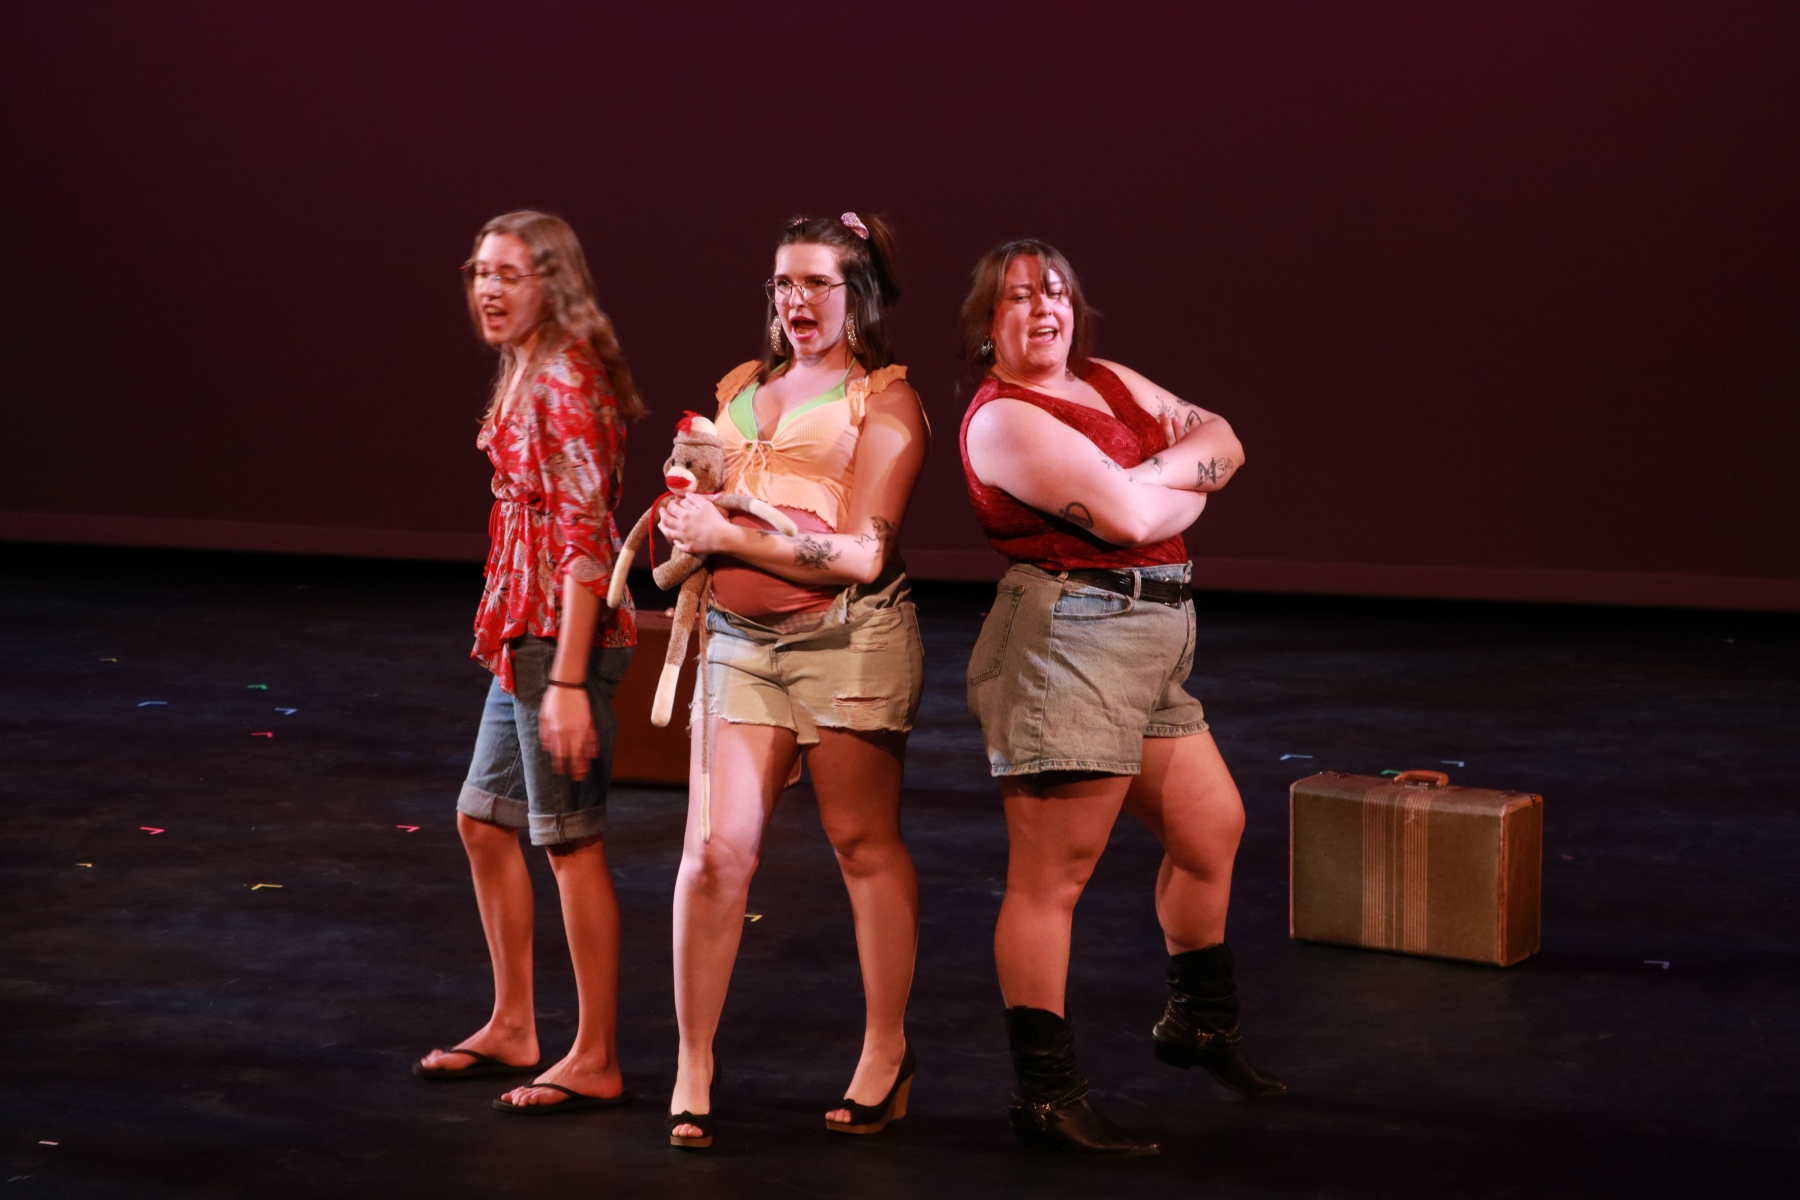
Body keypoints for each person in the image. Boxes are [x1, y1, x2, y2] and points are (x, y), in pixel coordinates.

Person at [957, 239, 1286, 1156]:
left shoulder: (1106, 378)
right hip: (1071, 640)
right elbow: (1140, 515)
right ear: (987, 324)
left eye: (1056, 292)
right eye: (1019, 298)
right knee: (1052, 879)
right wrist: (1177, 481)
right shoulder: (1003, 419)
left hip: (1151, 634)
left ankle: (1199, 1022)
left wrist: (1151, 482)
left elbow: (1226, 441)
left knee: (1212, 829)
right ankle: (1045, 1097)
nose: (1044, 309)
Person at [654, 213, 928, 1149]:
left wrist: (729, 536)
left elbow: (863, 554)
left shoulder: (886, 403)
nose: (796, 299)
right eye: (783, 282)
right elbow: (709, 496)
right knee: (714, 855)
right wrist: (686, 513)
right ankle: (693, 1063)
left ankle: (886, 1052)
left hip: (848, 641)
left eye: (816, 282)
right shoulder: (742, 388)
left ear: (858, 295)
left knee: (861, 844)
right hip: (738, 640)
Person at [412, 211, 644, 1116]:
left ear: (554, 282)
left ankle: (596, 1055)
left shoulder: (567, 379)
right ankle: (514, 1022)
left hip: (558, 637)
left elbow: (587, 542)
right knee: (483, 821)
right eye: (481, 272)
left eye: (510, 274)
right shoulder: (527, 364)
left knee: (571, 844)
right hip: (526, 633)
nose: (490, 289)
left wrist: (571, 681)